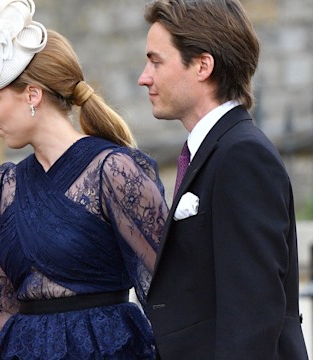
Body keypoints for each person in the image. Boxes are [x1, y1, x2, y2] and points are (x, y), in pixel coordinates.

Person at [0, 1, 168, 358]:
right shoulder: (6, 186)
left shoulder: (113, 171)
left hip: (105, 347)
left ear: (32, 95)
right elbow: (4, 301)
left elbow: (167, 286)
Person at [138, 0, 309, 359]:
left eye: (156, 61)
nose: (144, 77)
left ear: (202, 65)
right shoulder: (216, 151)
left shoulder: (242, 156)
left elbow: (253, 316)